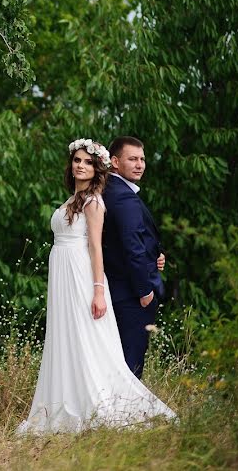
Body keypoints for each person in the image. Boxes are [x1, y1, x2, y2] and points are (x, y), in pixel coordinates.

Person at [16, 138, 175, 434]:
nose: (80, 165)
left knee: (87, 338)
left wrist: (99, 291)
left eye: (87, 162)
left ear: (98, 167)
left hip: (80, 275)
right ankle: (61, 401)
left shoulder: (93, 201)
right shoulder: (71, 200)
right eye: (77, 160)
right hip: (62, 275)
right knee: (66, 337)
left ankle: (103, 405)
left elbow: (96, 248)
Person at [101, 136, 165, 379]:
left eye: (142, 159)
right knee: (131, 361)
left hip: (116, 288)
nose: (140, 164)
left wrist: (155, 256)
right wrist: (144, 290)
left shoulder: (110, 190)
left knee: (118, 359)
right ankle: (126, 413)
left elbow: (120, 241)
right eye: (133, 159)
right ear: (115, 162)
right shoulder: (123, 196)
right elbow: (132, 246)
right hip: (132, 294)